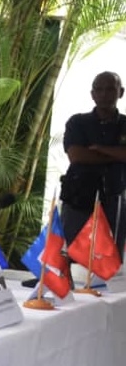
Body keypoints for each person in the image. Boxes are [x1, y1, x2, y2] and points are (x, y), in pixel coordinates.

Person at [60, 71, 126, 250]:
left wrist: (100, 149)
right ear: (92, 94)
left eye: (110, 89)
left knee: (111, 258)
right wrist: (117, 155)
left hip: (115, 202)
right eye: (99, 89)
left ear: (120, 92)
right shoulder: (77, 122)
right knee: (71, 254)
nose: (104, 94)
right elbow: (76, 155)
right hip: (78, 200)